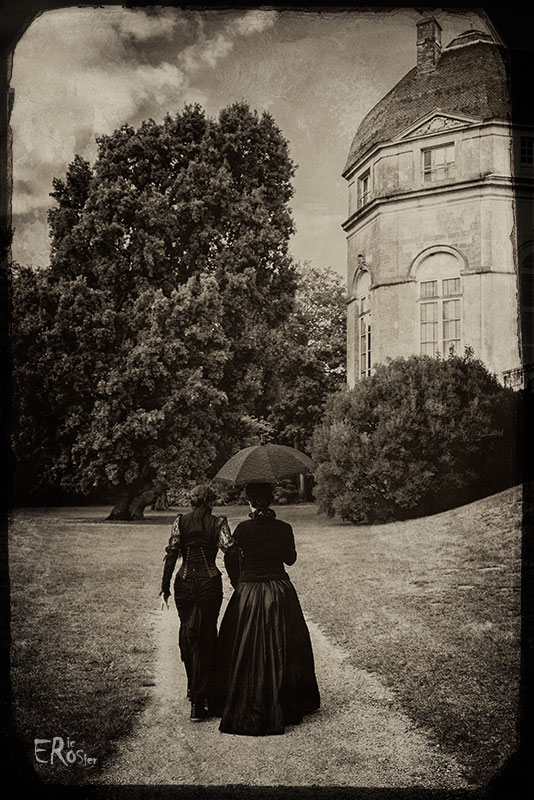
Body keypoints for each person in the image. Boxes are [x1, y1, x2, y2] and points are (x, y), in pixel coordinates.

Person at [211, 482, 320, 735]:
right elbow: (290, 560)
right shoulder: (284, 528)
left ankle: (243, 695)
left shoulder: (243, 529)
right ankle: (287, 702)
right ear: (271, 501)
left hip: (249, 591)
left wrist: (239, 582)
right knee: (287, 644)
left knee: (239, 645)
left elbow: (232, 558)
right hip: (280, 591)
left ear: (250, 502)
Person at [160, 484, 235, 721]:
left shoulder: (179, 521)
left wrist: (164, 586)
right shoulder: (218, 523)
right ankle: (202, 698)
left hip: (183, 585)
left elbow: (172, 553)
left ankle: (194, 690)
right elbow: (230, 551)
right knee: (207, 637)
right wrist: (238, 580)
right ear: (210, 501)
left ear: (192, 501)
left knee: (188, 635)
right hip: (210, 584)